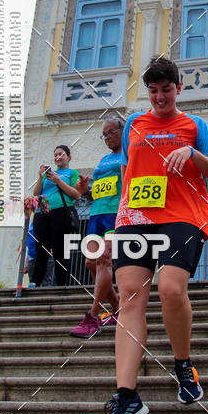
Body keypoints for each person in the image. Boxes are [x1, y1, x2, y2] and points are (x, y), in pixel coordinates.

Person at [99, 57, 208, 414]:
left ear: (178, 88)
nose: (159, 97)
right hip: (135, 219)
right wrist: (118, 222)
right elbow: (128, 171)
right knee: (129, 299)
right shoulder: (134, 125)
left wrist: (192, 153)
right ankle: (126, 398)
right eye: (153, 91)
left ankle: (183, 365)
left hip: (183, 216)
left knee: (170, 289)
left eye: (166, 90)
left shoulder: (195, 125)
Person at [70, 118, 124, 337]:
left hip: (115, 213)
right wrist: (85, 190)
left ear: (123, 131)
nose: (107, 138)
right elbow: (99, 192)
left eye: (111, 132)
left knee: (104, 259)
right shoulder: (104, 159)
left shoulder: (129, 154)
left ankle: (92, 317)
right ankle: (118, 308)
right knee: (90, 262)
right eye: (104, 134)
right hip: (96, 213)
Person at [31, 145, 80, 286]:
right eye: (55, 155)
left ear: (69, 157)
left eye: (61, 154)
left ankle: (61, 285)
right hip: (42, 212)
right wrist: (40, 177)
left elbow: (76, 194)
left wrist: (58, 181)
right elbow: (36, 194)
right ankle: (35, 282)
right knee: (41, 248)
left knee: (61, 250)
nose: (58, 157)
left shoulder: (72, 173)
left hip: (61, 212)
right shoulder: (48, 175)